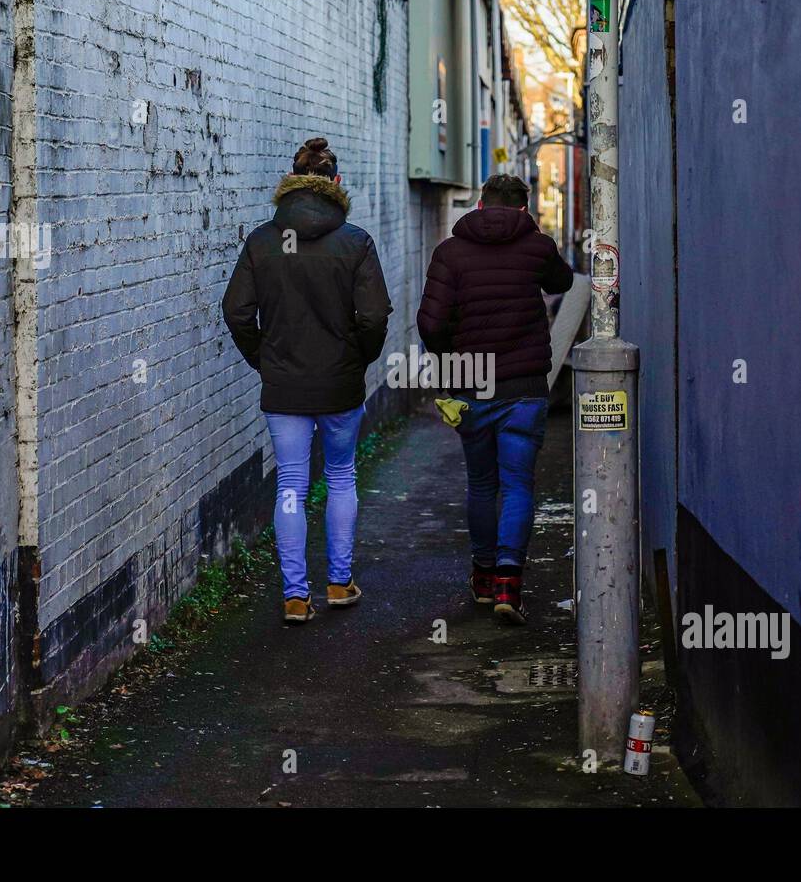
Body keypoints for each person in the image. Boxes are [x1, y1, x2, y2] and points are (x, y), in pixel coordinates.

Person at [223, 138, 392, 624]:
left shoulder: (261, 240)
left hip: (285, 386)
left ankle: (296, 596)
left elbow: (236, 311)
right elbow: (375, 314)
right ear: (336, 184)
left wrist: (264, 358)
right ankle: (339, 583)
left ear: (290, 185)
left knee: (291, 486)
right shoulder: (355, 242)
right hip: (340, 384)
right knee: (341, 477)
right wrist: (359, 358)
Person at [417, 174, 575, 624]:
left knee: (483, 484)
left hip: (472, 386)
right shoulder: (536, 246)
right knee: (519, 483)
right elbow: (563, 280)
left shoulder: (449, 252)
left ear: (480, 205)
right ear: (524, 209)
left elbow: (430, 323)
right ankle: (509, 584)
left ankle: (483, 578)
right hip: (523, 387)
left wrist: (451, 364)